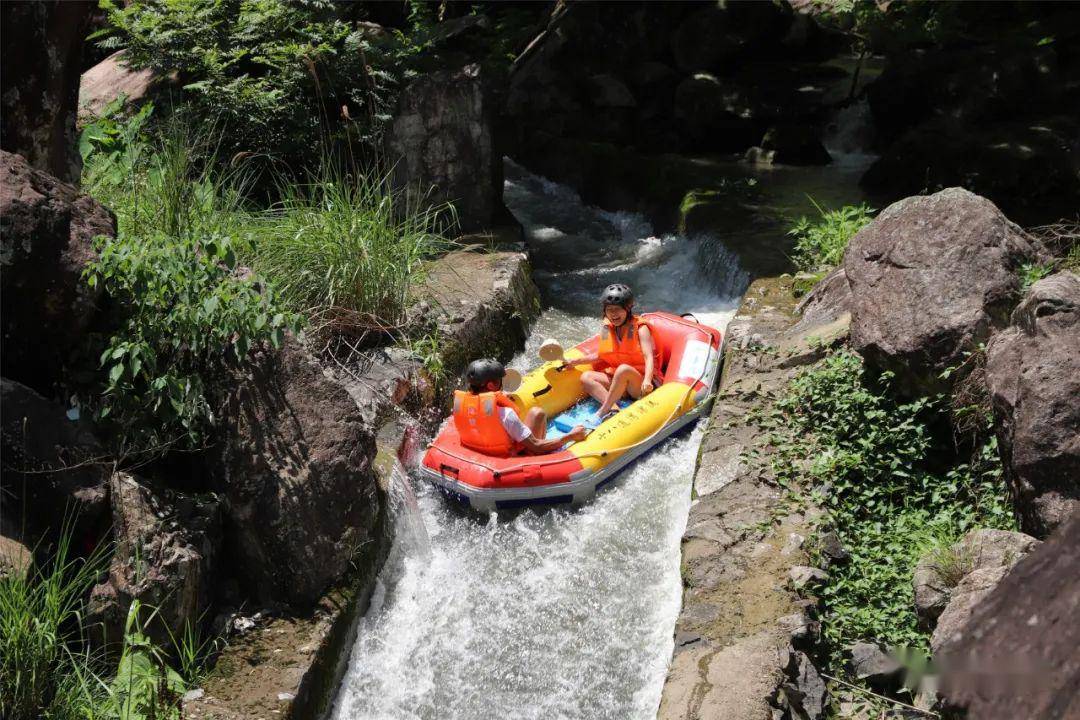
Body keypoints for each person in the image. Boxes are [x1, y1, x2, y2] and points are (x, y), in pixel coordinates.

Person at [453, 358, 587, 457]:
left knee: (536, 413)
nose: (502, 383)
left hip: (481, 453)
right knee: (538, 415)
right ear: (490, 386)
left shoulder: (461, 406)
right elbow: (537, 446)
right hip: (510, 461)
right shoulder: (505, 414)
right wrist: (571, 436)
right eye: (499, 380)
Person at [571, 284, 661, 426]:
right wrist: (576, 361)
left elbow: (648, 356)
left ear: (628, 309)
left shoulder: (641, 328)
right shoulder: (607, 328)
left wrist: (648, 380)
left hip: (641, 384)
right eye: (609, 310)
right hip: (621, 382)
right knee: (586, 377)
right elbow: (604, 355)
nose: (613, 314)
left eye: (617, 309)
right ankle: (613, 409)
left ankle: (601, 412)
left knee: (623, 369)